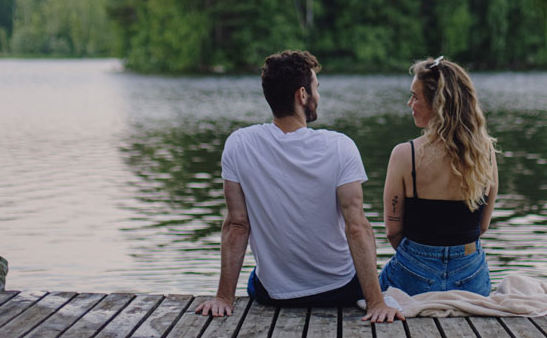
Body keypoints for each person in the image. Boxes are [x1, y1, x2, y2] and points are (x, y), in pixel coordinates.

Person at [196, 50, 402, 323]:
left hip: (274, 294)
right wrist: (375, 302)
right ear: (302, 95)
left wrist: (223, 298)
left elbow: (237, 225)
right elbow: (357, 226)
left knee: (254, 277)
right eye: (316, 88)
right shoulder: (340, 146)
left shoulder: (239, 144)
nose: (318, 96)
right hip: (340, 289)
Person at [379, 56, 497, 295]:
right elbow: (482, 226)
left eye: (415, 96)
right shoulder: (485, 153)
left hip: (414, 273)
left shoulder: (405, 155)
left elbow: (393, 232)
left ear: (437, 105)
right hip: (471, 275)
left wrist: (422, 259)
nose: (409, 103)